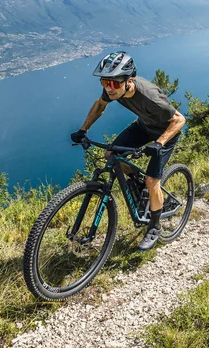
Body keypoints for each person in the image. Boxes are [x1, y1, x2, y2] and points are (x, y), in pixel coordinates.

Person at [70, 51, 186, 251]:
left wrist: (159, 143)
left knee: (152, 181)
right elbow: (100, 105)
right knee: (111, 155)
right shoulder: (114, 90)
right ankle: (140, 185)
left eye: (114, 84)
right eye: (104, 82)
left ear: (129, 81)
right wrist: (83, 130)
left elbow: (179, 120)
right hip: (144, 126)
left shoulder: (151, 97)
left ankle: (154, 227)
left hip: (166, 133)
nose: (109, 88)